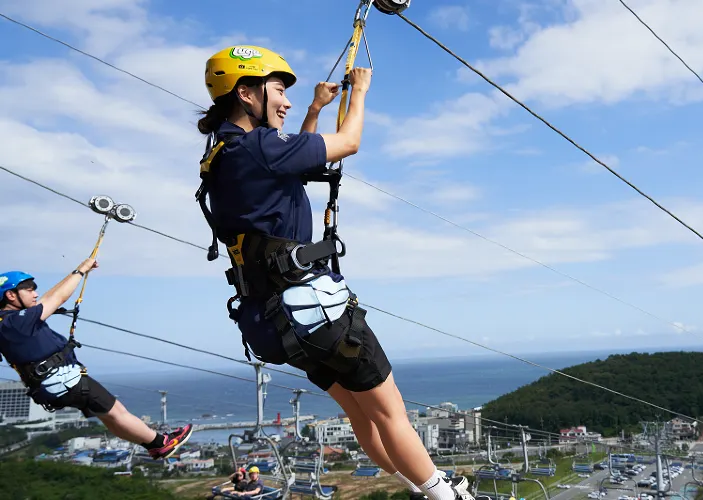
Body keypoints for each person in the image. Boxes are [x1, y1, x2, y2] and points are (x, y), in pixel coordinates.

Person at [195, 45, 471, 500]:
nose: (285, 102)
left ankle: (420, 486)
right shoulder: (258, 146)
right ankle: (443, 494)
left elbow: (294, 162)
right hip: (316, 311)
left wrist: (315, 110)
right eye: (278, 91)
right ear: (246, 93)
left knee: (362, 416)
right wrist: (359, 92)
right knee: (390, 414)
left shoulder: (228, 151)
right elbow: (348, 143)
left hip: (278, 321)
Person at [0, 263, 193, 460]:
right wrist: (81, 270)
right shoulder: (17, 322)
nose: (35, 294)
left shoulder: (6, 322)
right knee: (118, 412)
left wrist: (76, 272)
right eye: (29, 290)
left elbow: (48, 298)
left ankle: (150, 445)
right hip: (67, 382)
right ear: (11, 295)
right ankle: (161, 443)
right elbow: (56, 298)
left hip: (51, 387)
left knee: (109, 417)